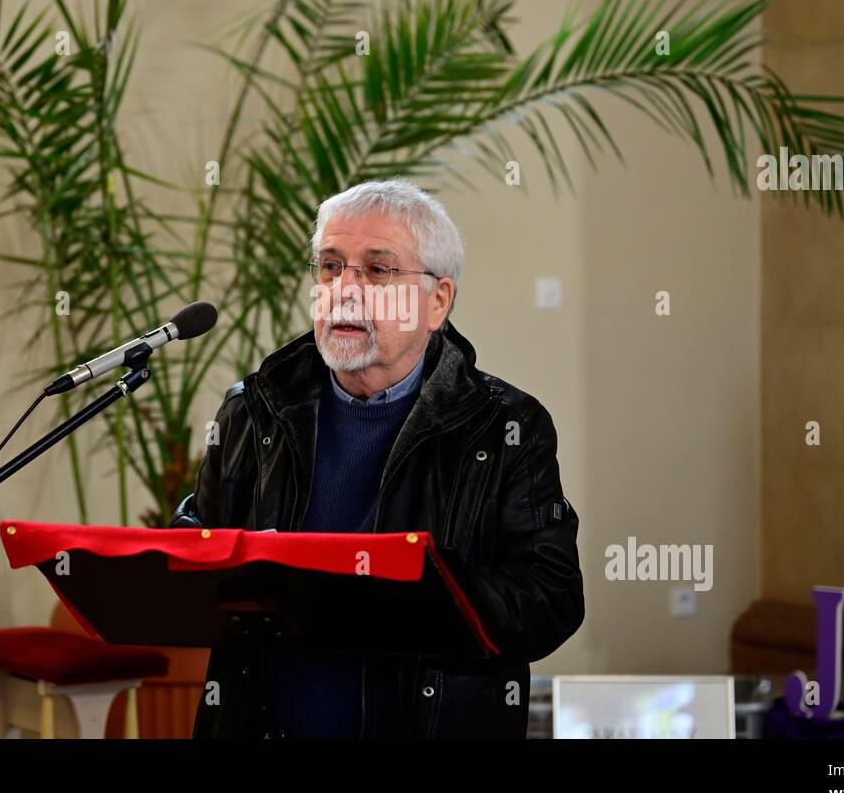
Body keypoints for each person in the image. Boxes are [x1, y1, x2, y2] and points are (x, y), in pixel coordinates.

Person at [172, 177, 585, 738]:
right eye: (331, 266)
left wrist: (416, 594)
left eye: (377, 270)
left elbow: (551, 598)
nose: (345, 288)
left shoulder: (508, 426)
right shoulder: (253, 411)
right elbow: (203, 544)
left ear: (437, 301)